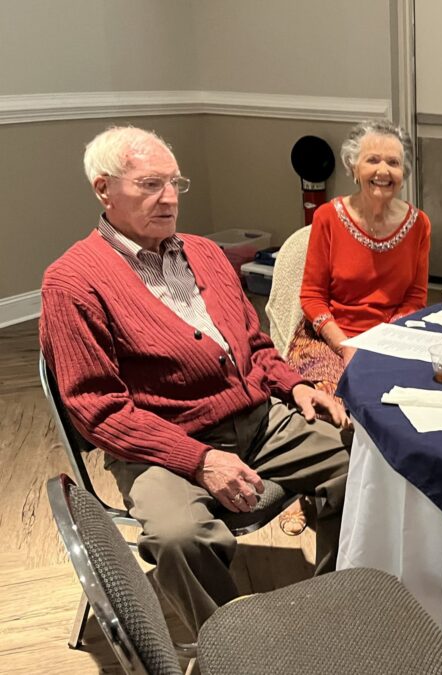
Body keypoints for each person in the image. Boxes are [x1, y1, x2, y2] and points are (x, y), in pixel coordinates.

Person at [39, 126, 351, 634]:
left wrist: (294, 385)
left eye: (175, 183)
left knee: (362, 465)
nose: (169, 198)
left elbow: (254, 345)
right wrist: (200, 460)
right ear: (103, 190)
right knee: (179, 537)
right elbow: (97, 409)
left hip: (258, 421)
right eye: (150, 184)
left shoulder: (206, 253)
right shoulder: (72, 282)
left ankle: (337, 601)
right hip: (162, 445)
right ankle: (233, 646)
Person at [293, 119, 430, 391]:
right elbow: (312, 297)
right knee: (336, 399)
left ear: (403, 172)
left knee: (424, 392)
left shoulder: (419, 224)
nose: (383, 171)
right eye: (373, 160)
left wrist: (385, 339)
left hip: (391, 338)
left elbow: (415, 297)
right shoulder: (327, 218)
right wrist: (345, 346)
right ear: (354, 167)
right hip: (330, 340)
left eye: (393, 162)